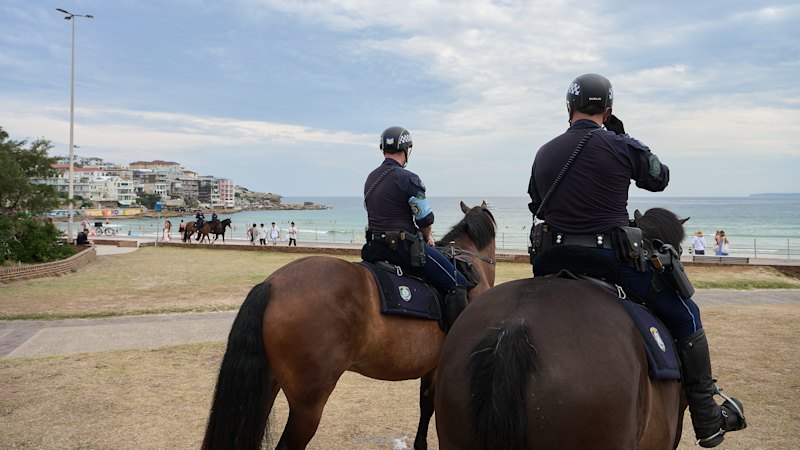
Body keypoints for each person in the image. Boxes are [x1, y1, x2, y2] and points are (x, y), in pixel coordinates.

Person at [527, 74, 745, 448]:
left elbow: (535, 201)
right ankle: (708, 419)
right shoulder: (619, 145)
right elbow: (660, 178)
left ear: (568, 109)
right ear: (609, 110)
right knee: (686, 315)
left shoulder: (545, 152)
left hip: (552, 258)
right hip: (610, 261)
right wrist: (624, 136)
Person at [362, 126, 468, 331]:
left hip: (375, 246)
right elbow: (424, 219)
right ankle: (459, 339)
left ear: (383, 149)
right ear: (407, 150)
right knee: (457, 282)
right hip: (402, 248)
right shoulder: (408, 178)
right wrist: (427, 237)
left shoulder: (370, 179)